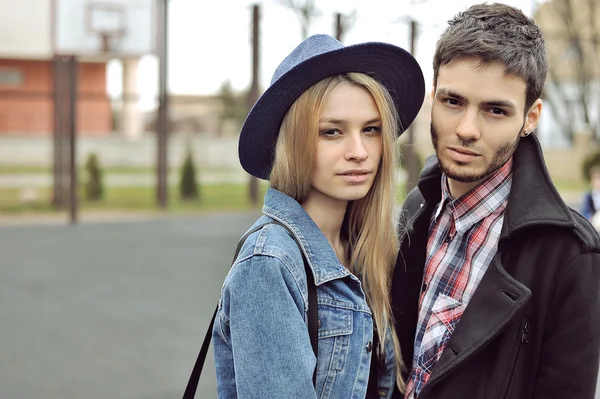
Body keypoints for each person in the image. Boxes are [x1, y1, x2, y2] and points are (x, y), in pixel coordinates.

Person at [391, 3, 600, 399]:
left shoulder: (571, 254)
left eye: (495, 110)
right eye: (453, 102)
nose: (467, 130)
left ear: (531, 117)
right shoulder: (417, 208)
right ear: (433, 97)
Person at [212, 34, 425, 398]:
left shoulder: (365, 249)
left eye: (371, 130)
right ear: (294, 143)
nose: (359, 152)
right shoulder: (270, 264)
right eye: (332, 132)